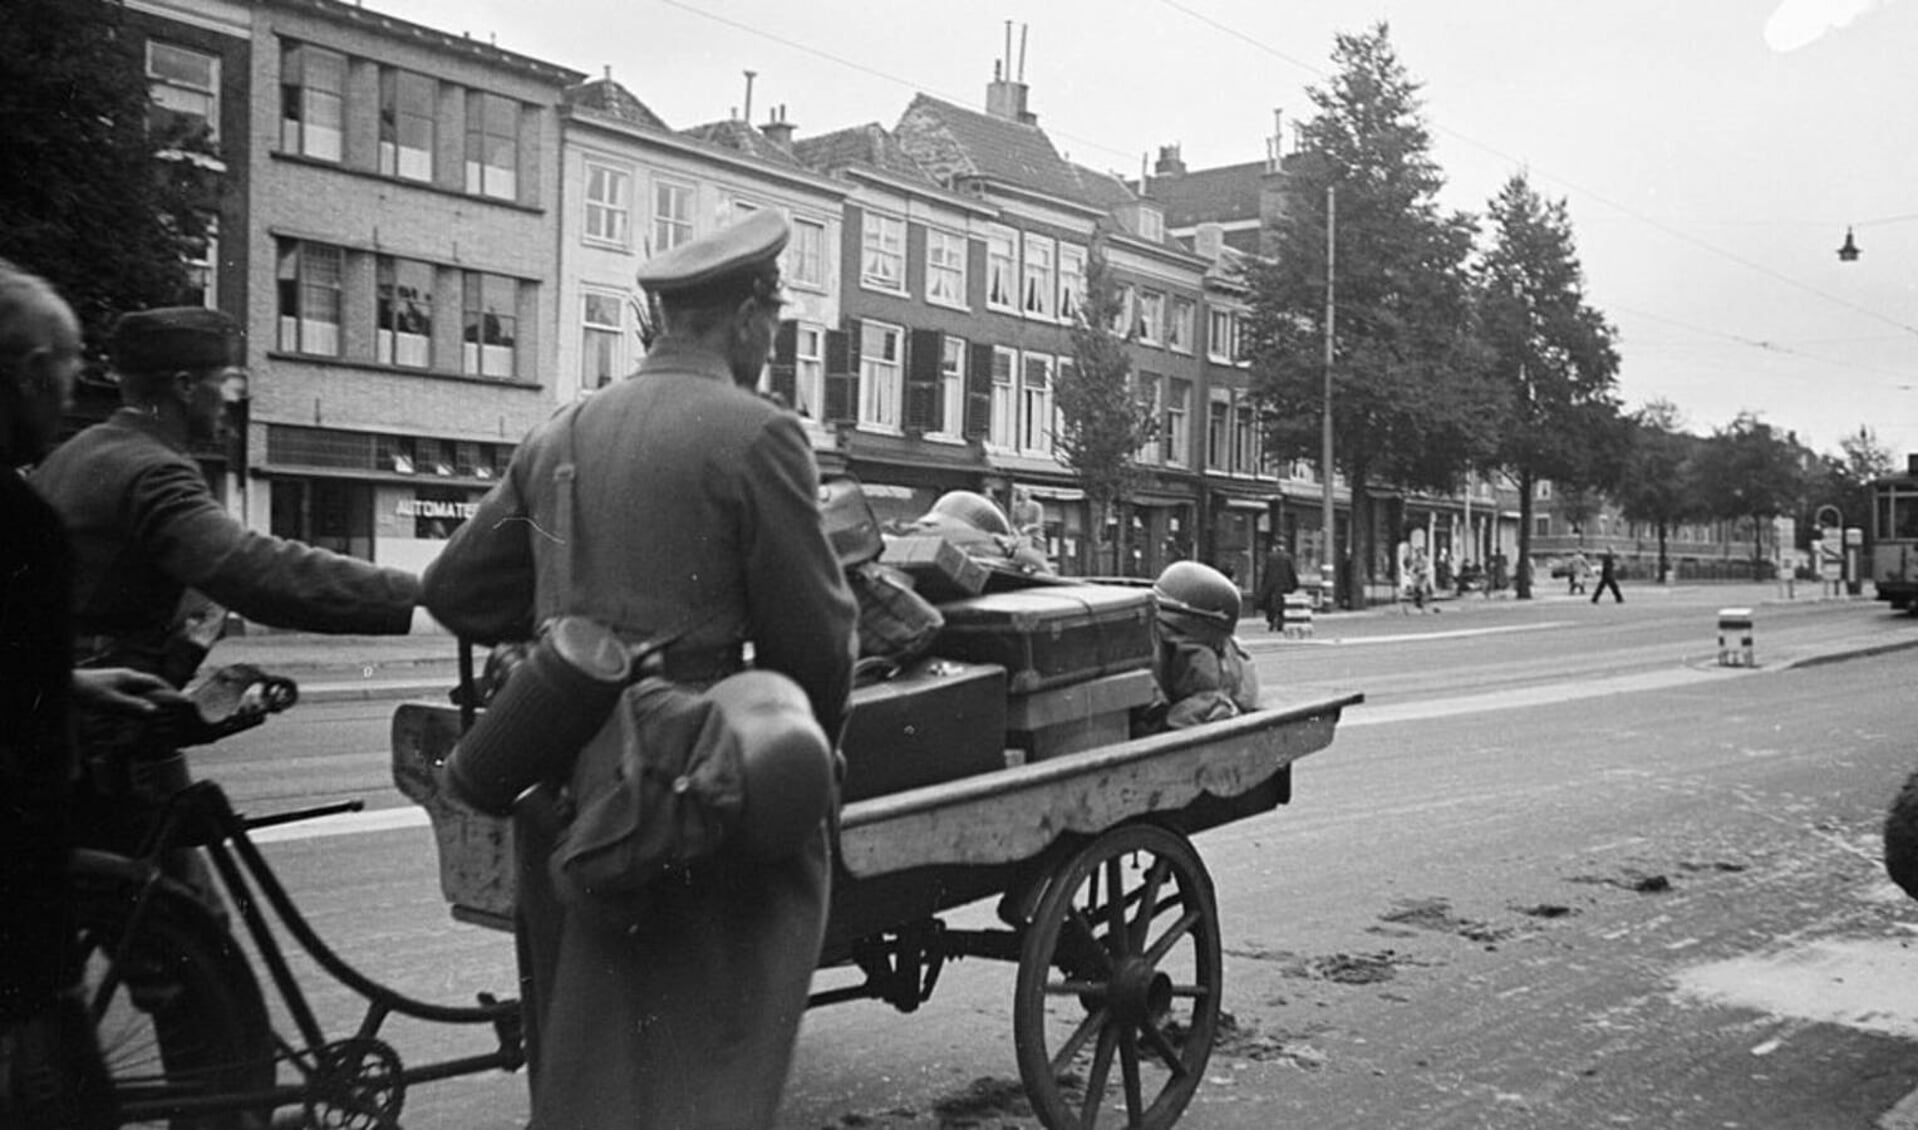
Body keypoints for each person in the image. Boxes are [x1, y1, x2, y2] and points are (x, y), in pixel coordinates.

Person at [421, 210, 857, 1129]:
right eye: (773, 324)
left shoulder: (562, 434)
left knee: (588, 1056)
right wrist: (803, 762)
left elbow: (455, 589)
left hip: (562, 788)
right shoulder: (758, 435)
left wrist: (565, 633)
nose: (771, 344)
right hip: (688, 797)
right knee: (698, 1065)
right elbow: (815, 641)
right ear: (749, 315)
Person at [1, 260, 180, 1129]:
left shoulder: (44, 478)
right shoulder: (19, 518)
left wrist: (66, 678)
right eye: (67, 366)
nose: (74, 386)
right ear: (35, 373)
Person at [1255, 543, 1300, 632]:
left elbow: (1266, 573)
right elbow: (1292, 572)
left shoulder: (1270, 557)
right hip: (1285, 585)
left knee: (1271, 604)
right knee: (1282, 605)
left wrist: (1263, 585)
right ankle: (1280, 622)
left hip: (1271, 585)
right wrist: (1295, 584)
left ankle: (1272, 621)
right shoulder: (1288, 557)